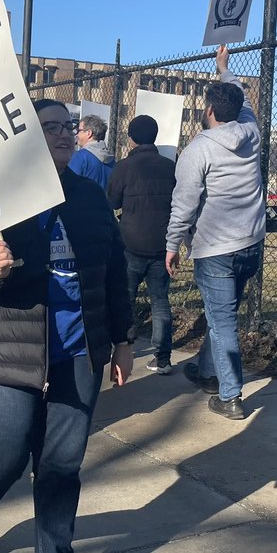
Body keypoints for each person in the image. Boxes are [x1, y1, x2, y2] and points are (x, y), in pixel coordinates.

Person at [0, 99, 135, 553]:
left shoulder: (90, 197)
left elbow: (114, 272)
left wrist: (121, 339)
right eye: (47, 126)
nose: (61, 134)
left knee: (61, 467)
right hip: (8, 352)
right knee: (2, 456)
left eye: (66, 126)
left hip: (77, 354)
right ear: (25, 135)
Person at [166, 44, 267, 419]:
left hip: (215, 249)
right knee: (221, 312)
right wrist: (225, 68)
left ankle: (230, 396)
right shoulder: (251, 131)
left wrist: (171, 243)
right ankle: (209, 372)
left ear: (208, 111)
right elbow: (238, 97)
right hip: (251, 243)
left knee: (223, 319)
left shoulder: (199, 150)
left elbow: (184, 203)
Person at [107, 114, 176, 374]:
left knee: (125, 300)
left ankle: (123, 349)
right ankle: (163, 358)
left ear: (132, 138)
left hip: (130, 242)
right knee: (160, 301)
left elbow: (112, 201)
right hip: (162, 243)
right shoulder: (170, 166)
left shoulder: (124, 167)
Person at [67, 114, 115, 190]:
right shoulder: (112, 161)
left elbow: (68, 184)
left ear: (88, 133)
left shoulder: (80, 157)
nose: (77, 134)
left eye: (79, 130)